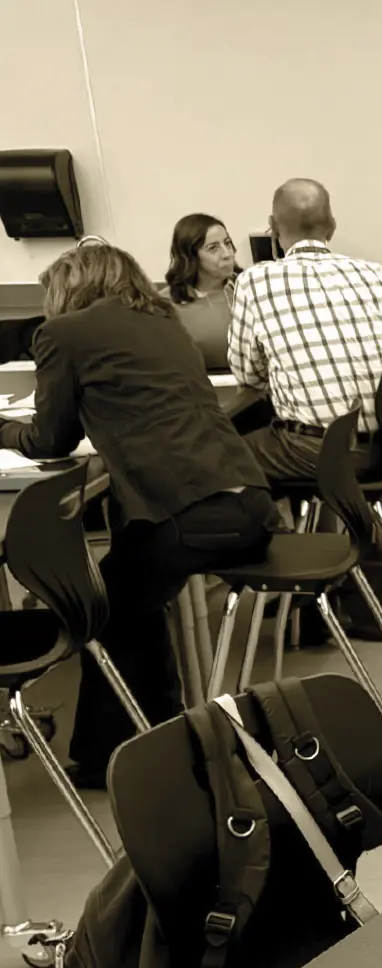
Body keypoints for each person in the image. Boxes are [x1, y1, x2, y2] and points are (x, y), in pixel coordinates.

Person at [0, 241, 277, 785]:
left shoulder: (63, 333)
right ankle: (154, 734)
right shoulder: (164, 320)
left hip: (189, 515)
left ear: (70, 289)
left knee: (106, 605)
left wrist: (3, 429)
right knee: (130, 591)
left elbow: (49, 438)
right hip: (247, 503)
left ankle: (117, 753)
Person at [227, 178, 382, 479]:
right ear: (332, 227)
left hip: (311, 451)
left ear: (273, 228)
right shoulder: (377, 275)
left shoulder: (254, 281)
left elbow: (248, 375)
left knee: (218, 457)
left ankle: (280, 513)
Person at [163, 212, 238, 370]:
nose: (227, 254)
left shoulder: (248, 289)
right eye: (213, 248)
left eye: (228, 243)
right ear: (190, 256)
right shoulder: (165, 304)